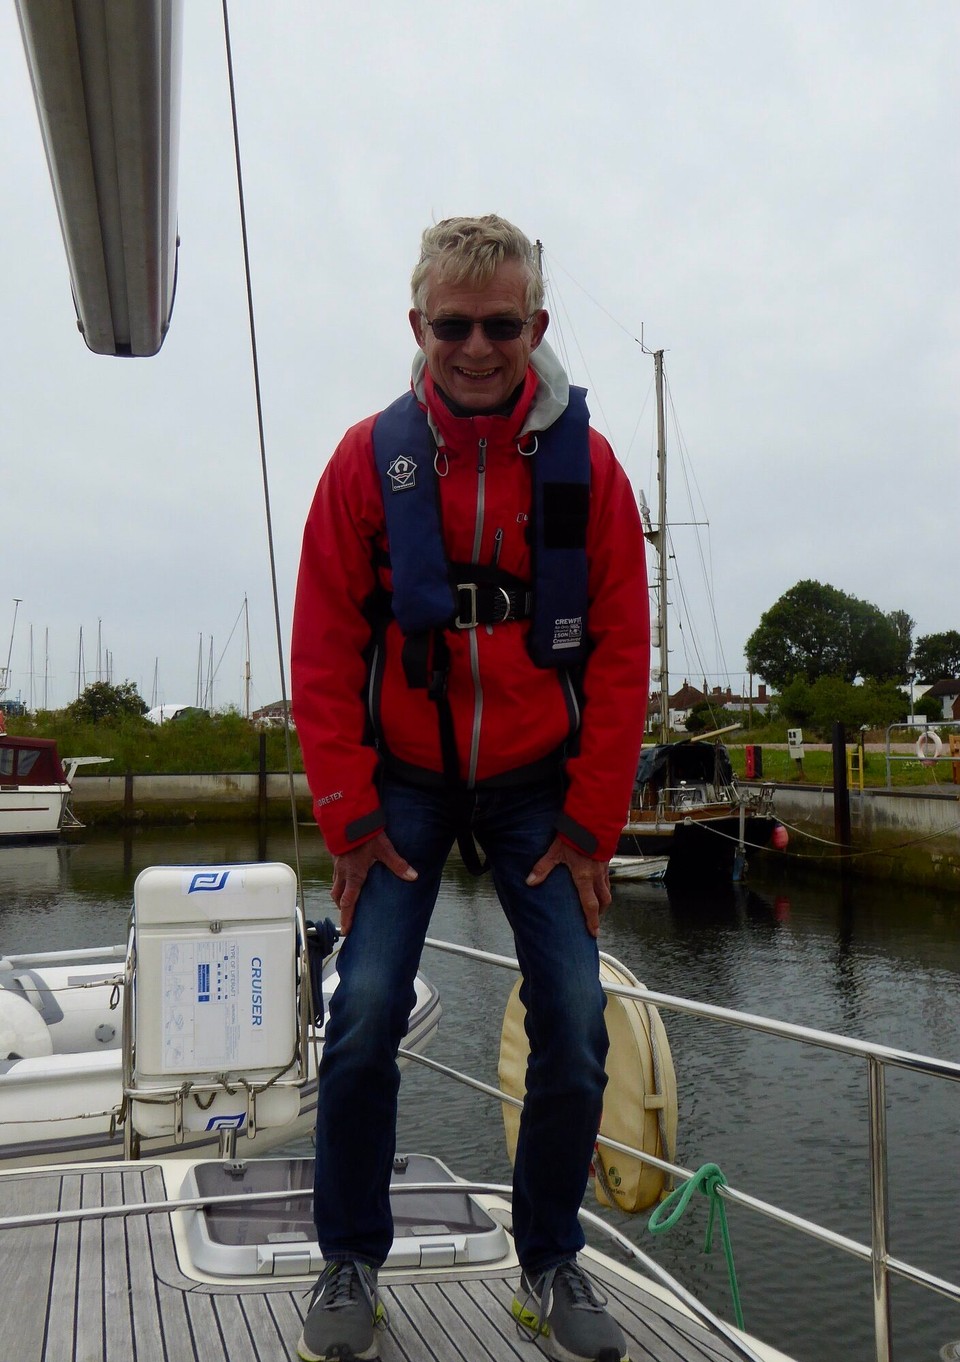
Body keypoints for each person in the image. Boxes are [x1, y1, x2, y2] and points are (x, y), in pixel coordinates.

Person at [291, 214, 649, 1362]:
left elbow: (625, 652)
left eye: (503, 324)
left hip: (539, 787)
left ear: (536, 324)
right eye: (456, 325)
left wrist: (594, 824)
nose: (480, 346)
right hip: (403, 782)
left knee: (581, 1026)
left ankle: (550, 1263)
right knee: (360, 1021)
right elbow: (323, 650)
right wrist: (348, 818)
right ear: (420, 328)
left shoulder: (588, 468)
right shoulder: (367, 460)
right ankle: (349, 1258)